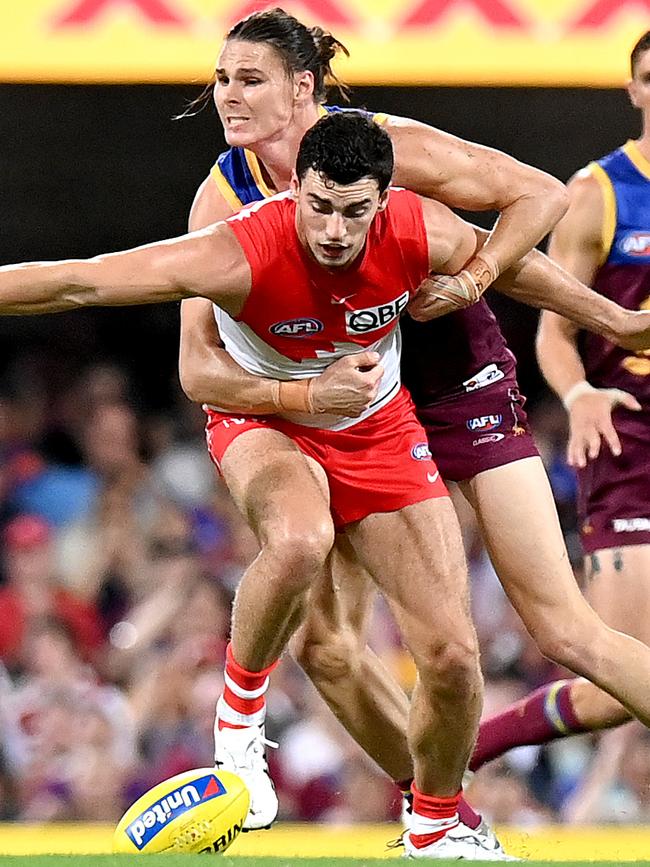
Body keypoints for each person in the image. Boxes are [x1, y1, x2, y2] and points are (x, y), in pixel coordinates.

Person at [1, 110, 579, 858]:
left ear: (382, 200)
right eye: (320, 206)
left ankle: (434, 826)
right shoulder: (238, 249)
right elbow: (78, 283)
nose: (335, 230)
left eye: (353, 211)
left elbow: (526, 254)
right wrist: (308, 397)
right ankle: (239, 719)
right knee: (302, 537)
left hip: (376, 429)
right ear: (296, 188)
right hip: (265, 418)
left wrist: (613, 320)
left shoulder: (417, 228)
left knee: (452, 659)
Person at [177, 7, 650, 843]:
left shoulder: (388, 149)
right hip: (351, 406)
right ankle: (443, 817)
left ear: (303, 87)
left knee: (566, 629)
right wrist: (299, 399)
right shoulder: (222, 197)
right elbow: (197, 360)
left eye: (248, 78)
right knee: (326, 647)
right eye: (222, 78)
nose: (227, 95)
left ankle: (442, 804)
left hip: (457, 378)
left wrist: (504, 290)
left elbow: (521, 211)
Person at [460, 30, 650, 788]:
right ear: (635, 90)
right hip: (630, 438)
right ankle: (467, 744)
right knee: (614, 690)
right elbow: (556, 332)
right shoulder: (600, 193)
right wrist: (577, 395)